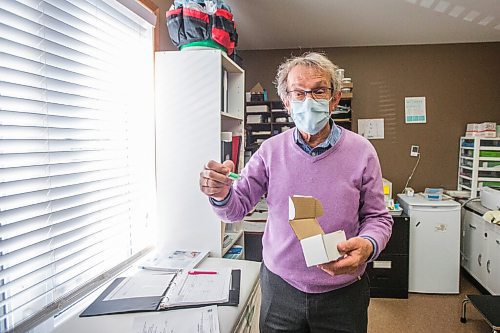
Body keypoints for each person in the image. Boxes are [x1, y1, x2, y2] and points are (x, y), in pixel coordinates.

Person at [199, 52, 393, 333]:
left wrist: (369, 245)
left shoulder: (362, 151)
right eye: (298, 93)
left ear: (335, 99)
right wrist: (219, 193)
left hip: (343, 291)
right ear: (287, 103)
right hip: (281, 288)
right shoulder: (270, 151)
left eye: (319, 91)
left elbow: (378, 218)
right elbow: (236, 207)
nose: (309, 100)